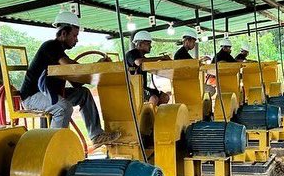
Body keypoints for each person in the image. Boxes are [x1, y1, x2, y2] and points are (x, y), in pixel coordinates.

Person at [20, 11, 120, 145]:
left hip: (51, 94)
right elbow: (69, 66)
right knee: (63, 107)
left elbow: (76, 82)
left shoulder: (59, 52)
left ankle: (96, 135)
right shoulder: (51, 46)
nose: (76, 40)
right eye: (74, 35)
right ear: (63, 34)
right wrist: (96, 66)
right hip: (33, 96)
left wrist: (96, 66)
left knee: (83, 94)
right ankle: (54, 146)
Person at [125, 31, 171, 107]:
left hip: (143, 88)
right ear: (140, 44)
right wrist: (161, 57)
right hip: (134, 88)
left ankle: (154, 112)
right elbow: (138, 62)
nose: (150, 46)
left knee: (165, 97)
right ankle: (148, 114)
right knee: (154, 98)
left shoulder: (143, 58)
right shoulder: (131, 54)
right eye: (148, 44)